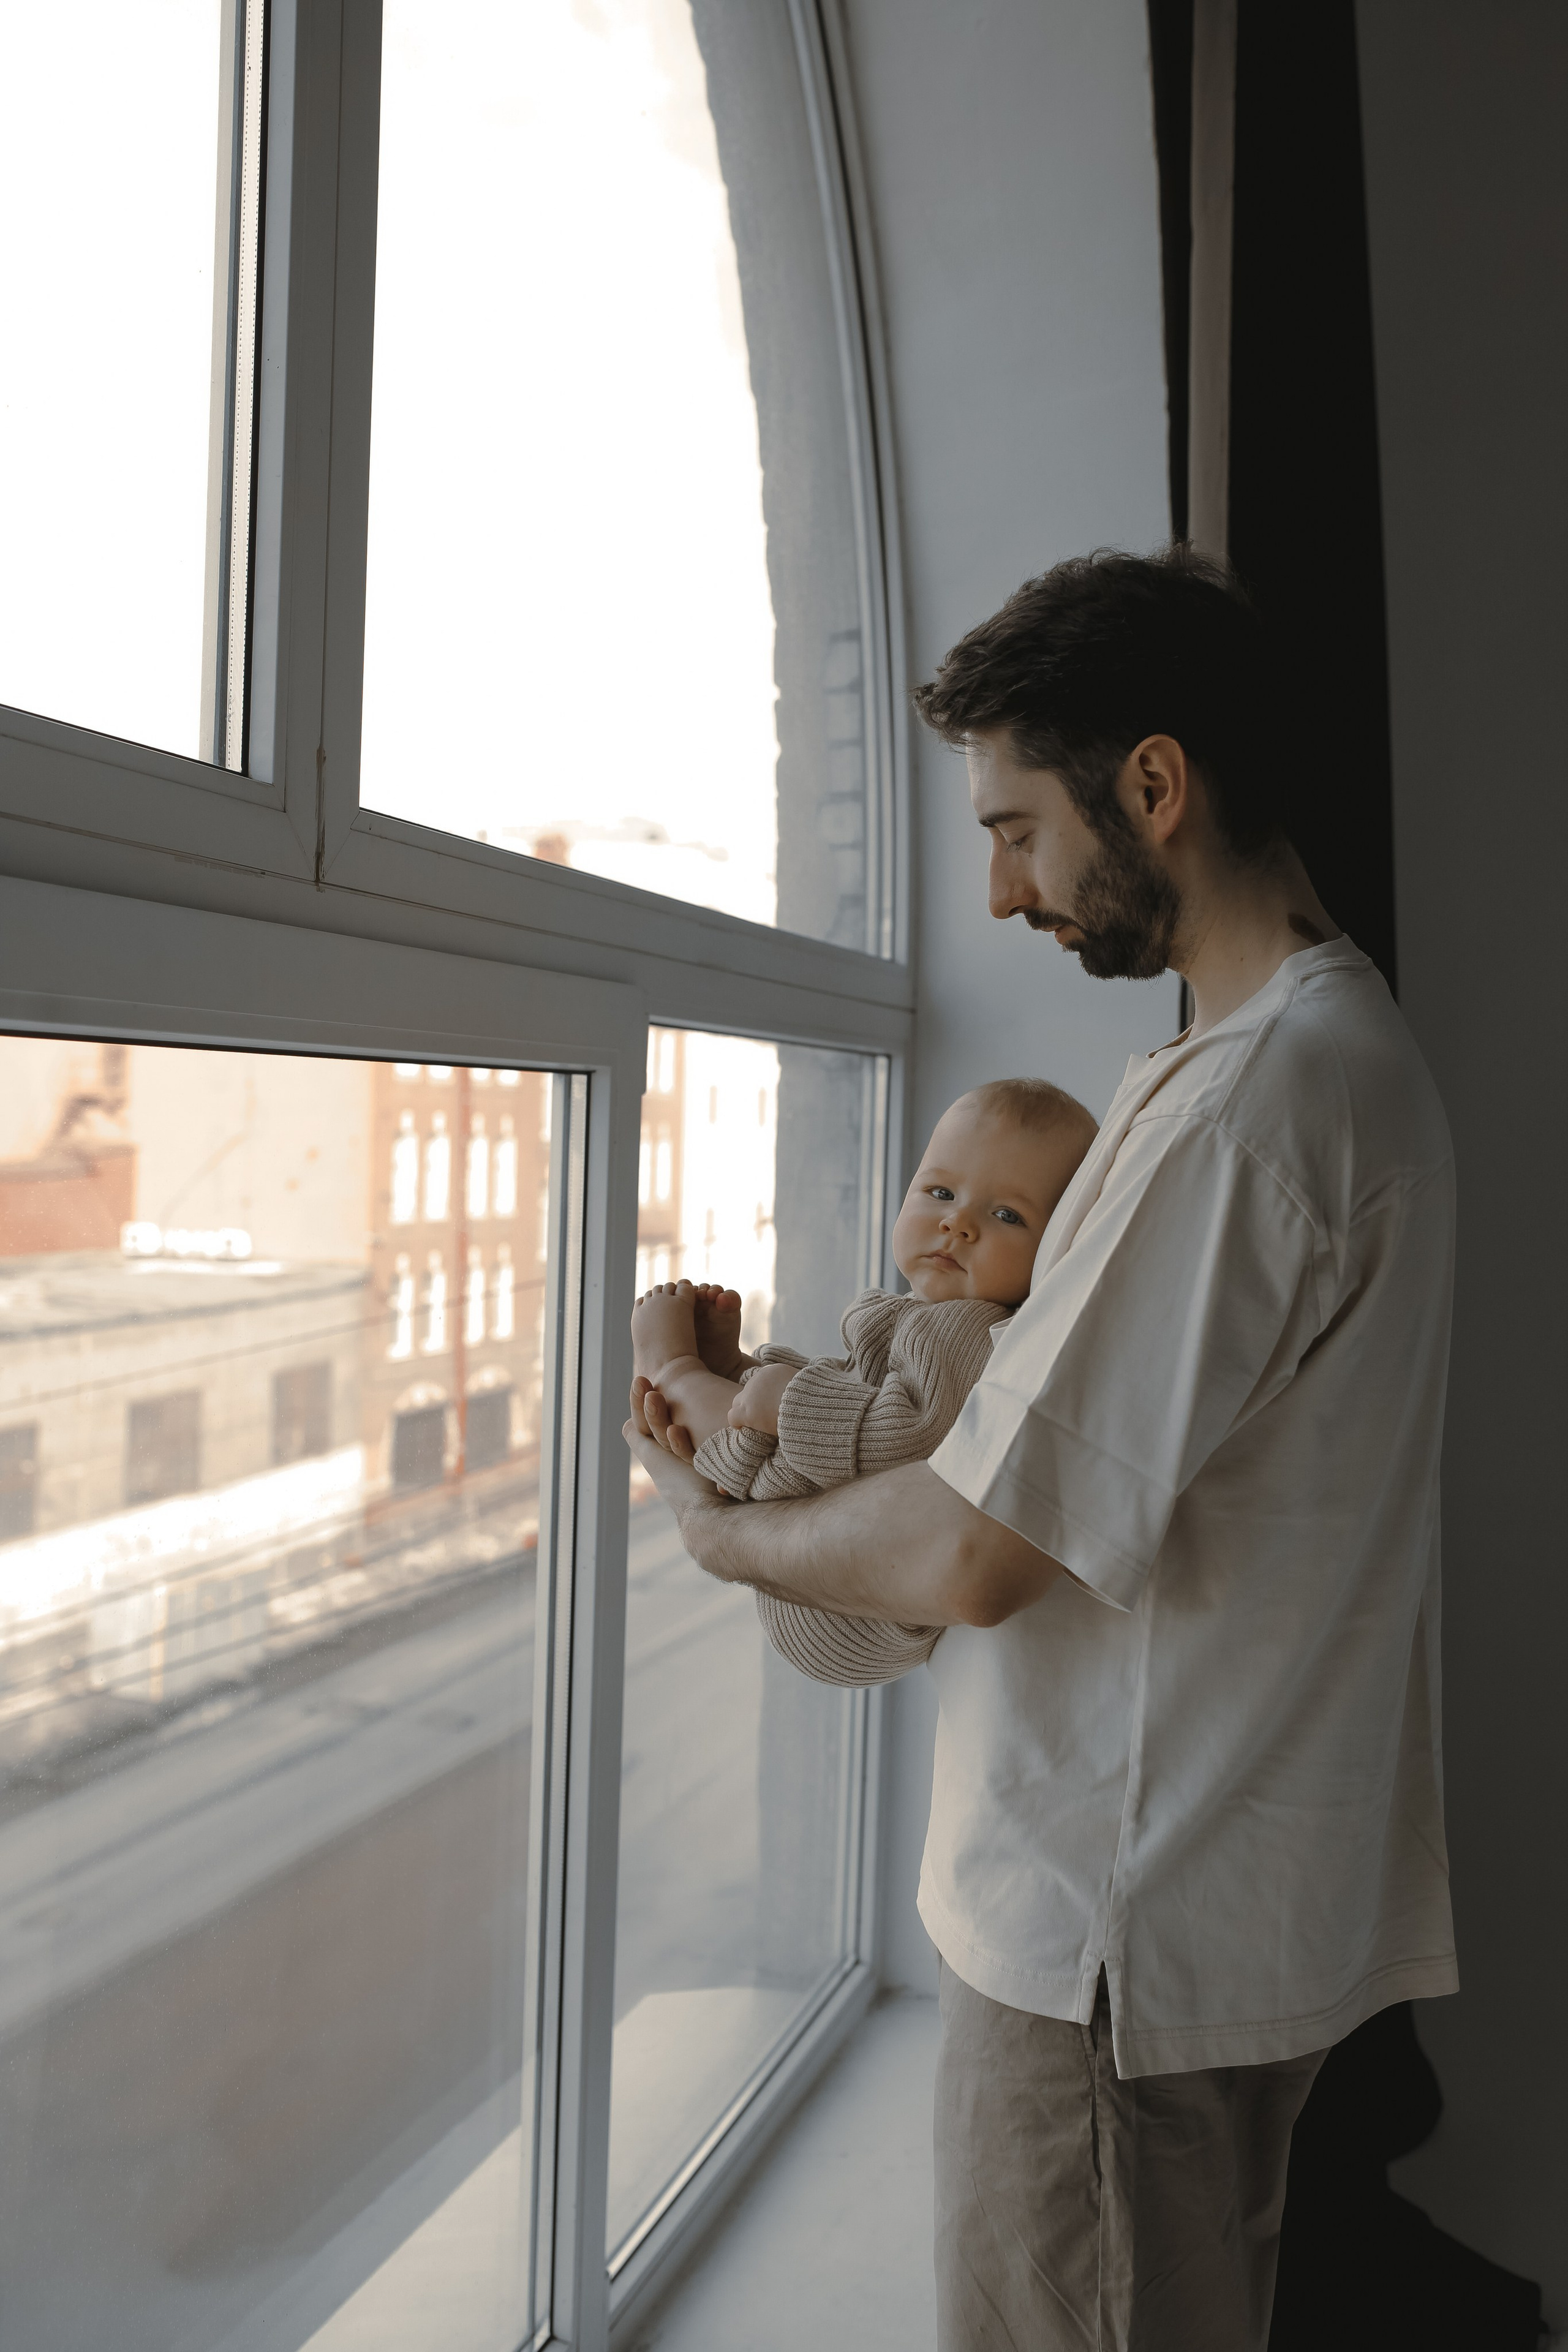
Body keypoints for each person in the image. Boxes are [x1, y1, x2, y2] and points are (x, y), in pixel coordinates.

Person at [628, 546, 1457, 2352]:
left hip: (1109, 1951)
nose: (1001, 892)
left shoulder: (1253, 1106)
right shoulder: (1279, 1062)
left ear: (1150, 786)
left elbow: (975, 1547)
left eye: (1017, 827)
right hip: (1180, 1928)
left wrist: (726, 1535)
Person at [629, 1077, 1095, 1683]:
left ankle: (671, 1366)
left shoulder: (964, 1330)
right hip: (840, 1584)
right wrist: (766, 1384)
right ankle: (723, 1371)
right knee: (755, 1412)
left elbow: (908, 1441)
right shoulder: (922, 1317)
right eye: (940, 1191)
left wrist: (782, 1401)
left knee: (752, 1429)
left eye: (1006, 1214)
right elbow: (854, 1397)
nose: (957, 1224)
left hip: (856, 1619)